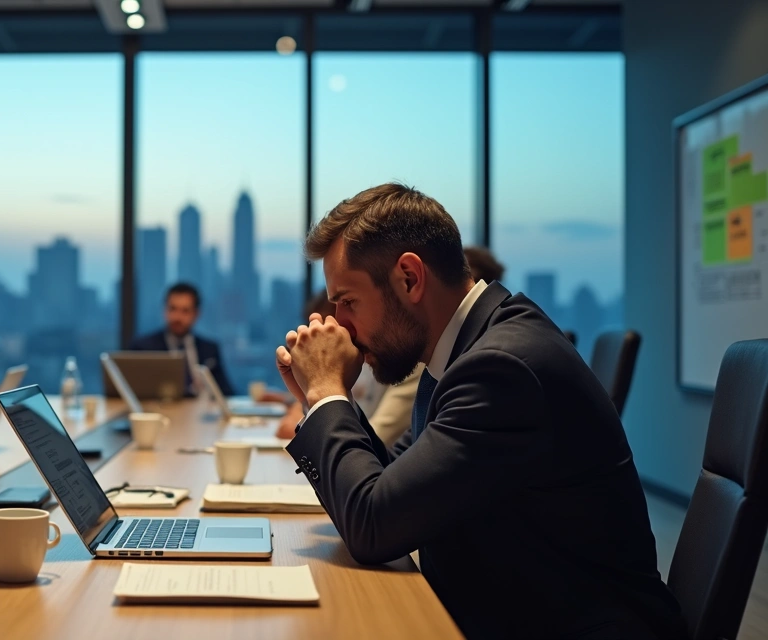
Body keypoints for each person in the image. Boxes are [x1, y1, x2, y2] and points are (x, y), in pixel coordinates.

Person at [277, 183, 685, 639]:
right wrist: (323, 399)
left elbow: (374, 527)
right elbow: (394, 483)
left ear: (409, 278)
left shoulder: (500, 368)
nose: (340, 324)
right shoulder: (465, 351)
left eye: (348, 301)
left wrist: (327, 392)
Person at [275, 291, 423, 443]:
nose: (318, 335)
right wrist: (308, 399)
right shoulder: (359, 360)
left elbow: (371, 445)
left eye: (349, 302)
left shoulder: (406, 364)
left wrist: (319, 397)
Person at [130, 282, 233, 397]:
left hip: (200, 406)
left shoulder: (210, 349)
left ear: (196, 314)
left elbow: (226, 392)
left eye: (185, 311)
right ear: (164, 310)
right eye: (172, 309)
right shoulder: (144, 347)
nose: (177, 317)